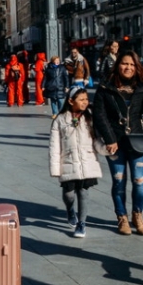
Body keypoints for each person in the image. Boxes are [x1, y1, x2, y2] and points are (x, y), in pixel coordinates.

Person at [92, 50, 143, 235]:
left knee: (139, 180)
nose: (127, 67)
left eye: (131, 64)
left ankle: (137, 214)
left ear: (136, 67)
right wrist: (109, 138)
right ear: (117, 65)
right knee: (118, 181)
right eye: (124, 63)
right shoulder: (106, 86)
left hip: (139, 140)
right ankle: (121, 217)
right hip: (115, 141)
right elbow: (99, 113)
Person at [49, 87, 102, 238]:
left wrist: (106, 149)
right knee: (69, 195)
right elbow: (54, 146)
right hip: (68, 162)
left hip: (87, 161)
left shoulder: (90, 117)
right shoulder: (60, 120)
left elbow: (97, 140)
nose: (85, 102)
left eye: (86, 99)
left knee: (83, 192)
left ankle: (82, 224)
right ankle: (70, 210)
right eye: (81, 99)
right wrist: (55, 168)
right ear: (71, 101)